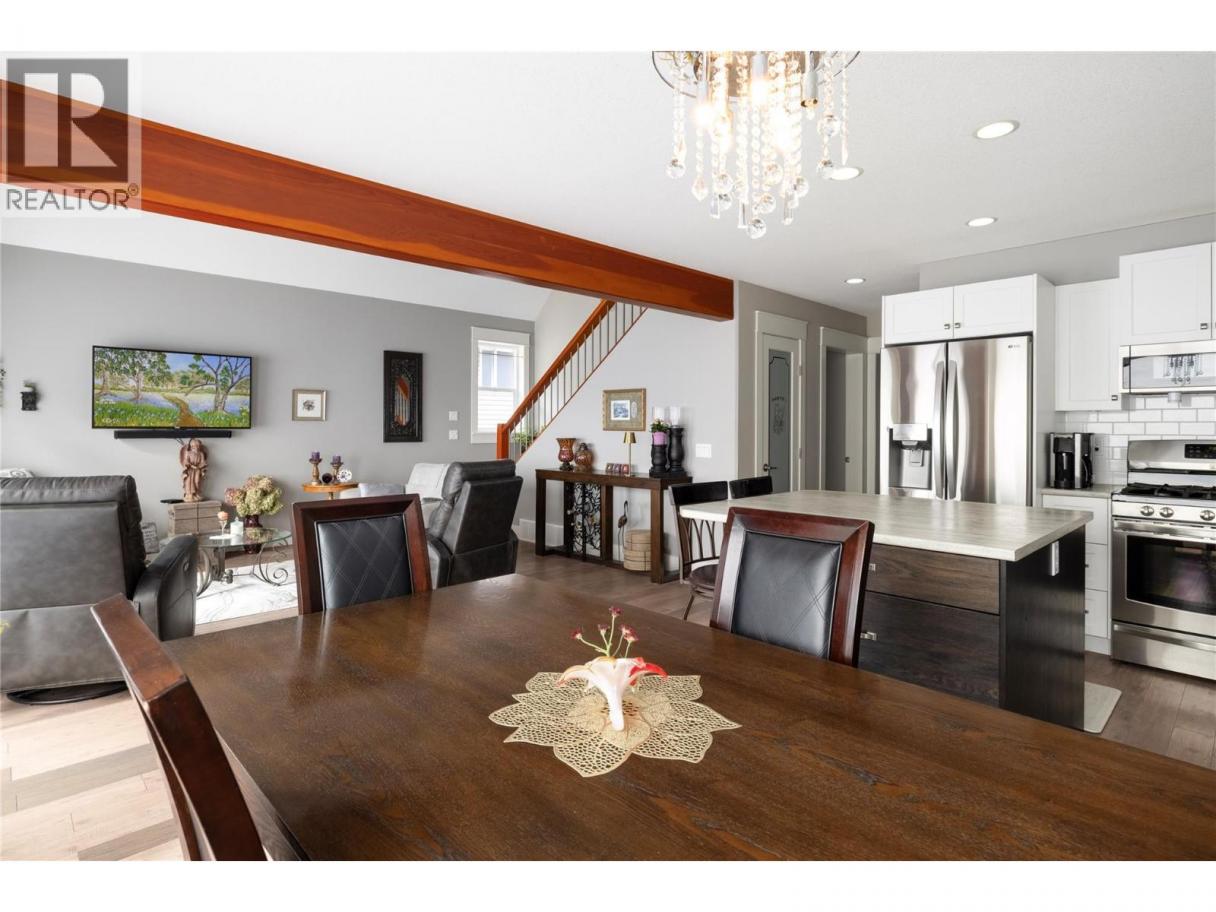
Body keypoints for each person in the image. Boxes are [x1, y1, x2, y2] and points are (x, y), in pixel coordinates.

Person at [179, 437, 208, 502]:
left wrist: (199, 466)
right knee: (189, 482)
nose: (197, 447)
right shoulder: (188, 453)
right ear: (192, 446)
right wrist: (191, 466)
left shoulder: (201, 454)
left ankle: (196, 494)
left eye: (198, 446)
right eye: (195, 446)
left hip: (197, 470)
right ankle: (190, 495)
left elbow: (203, 462)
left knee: (197, 481)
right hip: (189, 470)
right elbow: (186, 461)